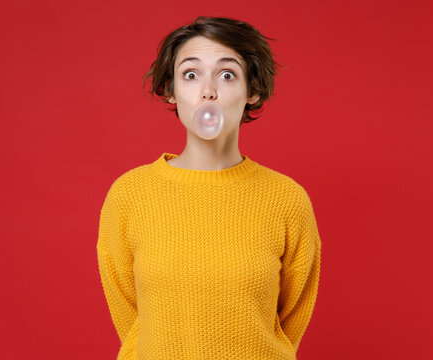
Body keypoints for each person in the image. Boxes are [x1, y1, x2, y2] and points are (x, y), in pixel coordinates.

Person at [96, 16, 322, 360]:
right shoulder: (130, 195)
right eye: (190, 74)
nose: (208, 91)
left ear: (253, 90)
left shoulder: (286, 199)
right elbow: (131, 319)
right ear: (171, 89)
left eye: (227, 74)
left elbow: (290, 318)